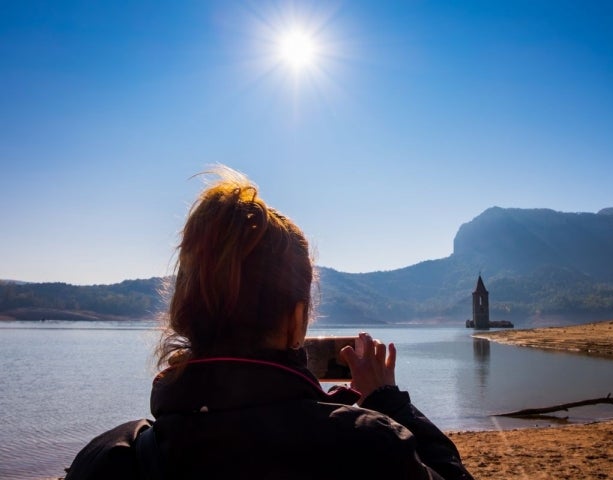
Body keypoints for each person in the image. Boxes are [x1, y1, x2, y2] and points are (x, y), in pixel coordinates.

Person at [64, 165, 474, 480]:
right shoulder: (368, 446)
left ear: (184, 308)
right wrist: (386, 400)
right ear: (297, 318)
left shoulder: (108, 460)